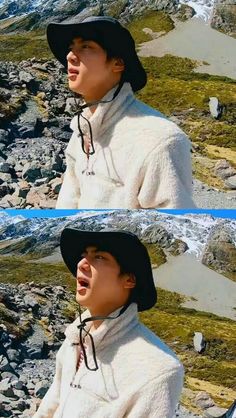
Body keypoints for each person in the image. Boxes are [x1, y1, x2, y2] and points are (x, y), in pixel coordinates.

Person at [47, 16, 196, 209]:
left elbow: (173, 232)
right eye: (70, 47)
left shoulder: (161, 141)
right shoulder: (82, 130)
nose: (70, 56)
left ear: (118, 63)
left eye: (85, 46)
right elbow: (67, 208)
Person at [33, 228, 184, 418]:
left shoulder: (159, 370)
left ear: (129, 279)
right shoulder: (75, 338)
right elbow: (54, 400)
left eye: (99, 257)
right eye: (83, 255)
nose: (81, 264)